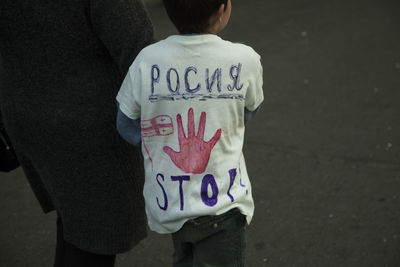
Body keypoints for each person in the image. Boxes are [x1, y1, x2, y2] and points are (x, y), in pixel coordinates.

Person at [0, 0, 153, 266]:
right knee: (93, 240)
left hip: (26, 108)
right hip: (88, 127)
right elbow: (142, 54)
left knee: (76, 223)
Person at [116, 0, 264, 265]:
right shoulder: (245, 59)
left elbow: (125, 124)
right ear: (222, 9)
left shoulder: (146, 60)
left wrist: (161, 141)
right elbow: (249, 111)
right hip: (223, 203)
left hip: (171, 203)